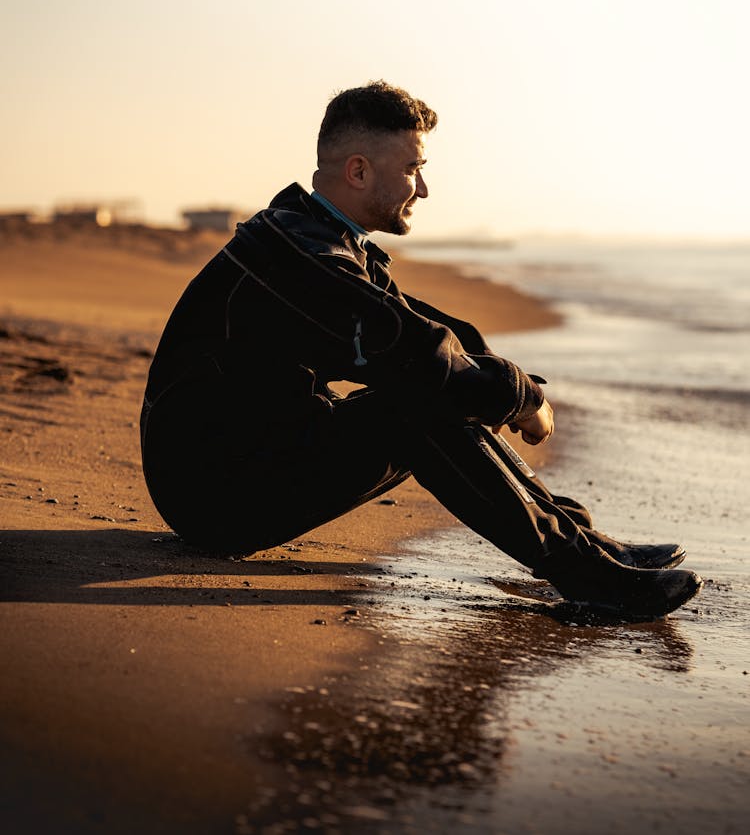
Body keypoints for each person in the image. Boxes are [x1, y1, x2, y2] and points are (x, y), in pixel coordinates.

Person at [141, 81, 702, 619]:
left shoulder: (315, 237)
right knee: (418, 402)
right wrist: (521, 398)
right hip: (214, 495)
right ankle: (593, 578)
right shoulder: (298, 259)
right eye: (413, 170)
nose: (424, 189)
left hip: (245, 462)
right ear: (358, 171)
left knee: (425, 390)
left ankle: (586, 546)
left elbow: (429, 327)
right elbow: (421, 357)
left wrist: (506, 380)